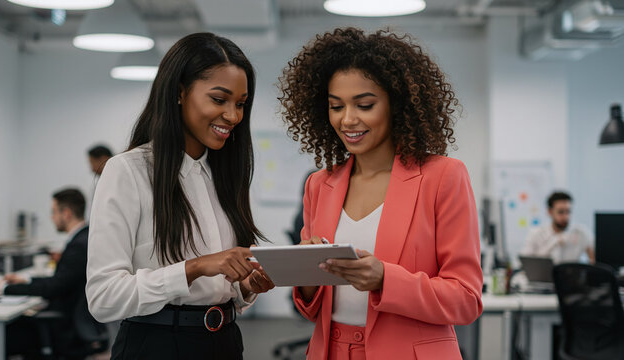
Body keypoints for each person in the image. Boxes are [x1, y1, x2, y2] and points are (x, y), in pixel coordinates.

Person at [278, 28, 483, 359]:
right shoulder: (319, 184)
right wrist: (306, 277)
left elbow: (466, 299)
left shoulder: (443, 177)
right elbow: (312, 310)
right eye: (336, 106)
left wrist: (385, 279)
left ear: (396, 104)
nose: (348, 119)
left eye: (365, 104)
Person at [86, 32, 274, 360]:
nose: (233, 116)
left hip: (225, 341)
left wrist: (245, 286)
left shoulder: (225, 174)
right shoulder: (127, 171)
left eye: (241, 104)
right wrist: (195, 267)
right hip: (156, 345)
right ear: (179, 92)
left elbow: (219, 285)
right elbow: (104, 298)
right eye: (219, 99)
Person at [0, 188, 93, 359]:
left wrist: (4, 287)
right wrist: (25, 279)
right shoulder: (84, 238)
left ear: (66, 213)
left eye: (53, 212)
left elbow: (52, 287)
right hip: (66, 323)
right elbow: (59, 280)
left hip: (60, 329)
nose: (51, 218)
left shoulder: (78, 245)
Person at [521, 191, 595, 264]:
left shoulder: (580, 233)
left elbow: (595, 259)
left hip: (572, 275)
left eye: (568, 211)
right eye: (561, 212)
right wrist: (554, 242)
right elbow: (525, 262)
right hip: (544, 275)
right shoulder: (536, 234)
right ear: (550, 212)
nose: (565, 216)